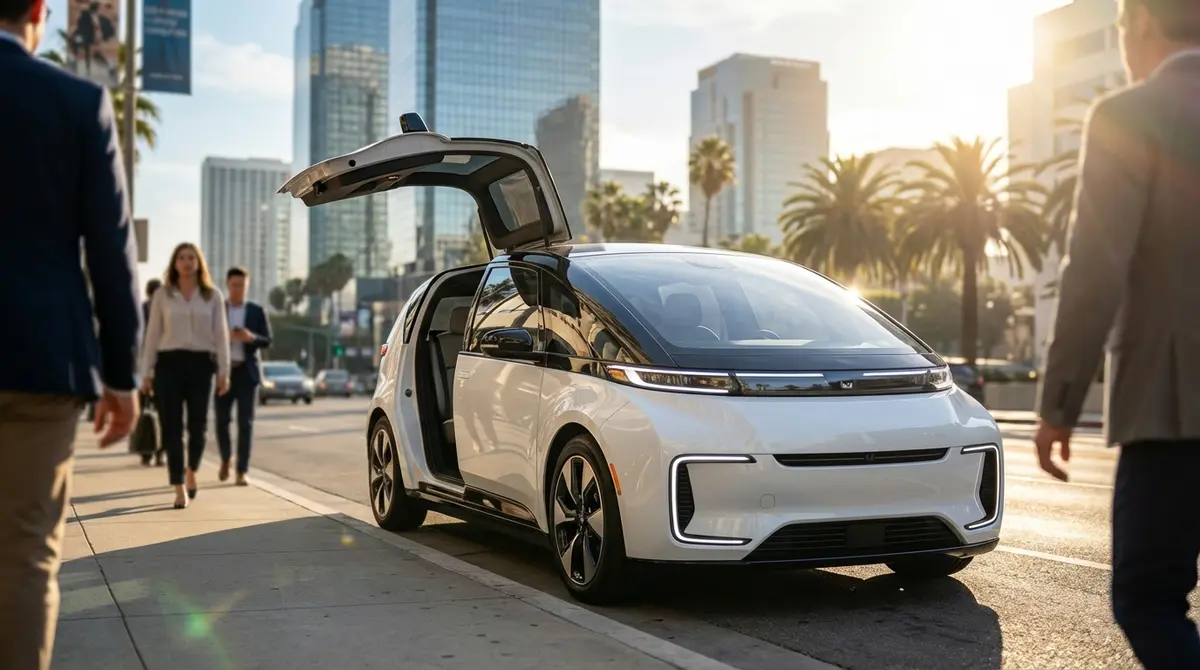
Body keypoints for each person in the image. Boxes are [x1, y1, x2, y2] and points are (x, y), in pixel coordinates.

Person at [1034, 0, 1200, 666]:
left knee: (1149, 599)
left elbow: (1096, 271)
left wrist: (1059, 404)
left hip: (1175, 407)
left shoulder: (1131, 115)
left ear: (1140, 25)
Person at [0, 1, 141, 668]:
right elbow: (111, 252)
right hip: (41, 362)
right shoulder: (78, 103)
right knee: (27, 556)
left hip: (44, 364)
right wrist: (122, 375)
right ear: (38, 12)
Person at [141, 243, 230, 509]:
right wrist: (146, 372)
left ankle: (191, 470)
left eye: (191, 257)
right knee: (172, 427)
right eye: (181, 257)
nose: (187, 262)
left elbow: (221, 335)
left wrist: (224, 371)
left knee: (198, 426)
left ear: (199, 262)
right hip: (168, 364)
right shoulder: (163, 295)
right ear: (174, 263)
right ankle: (178, 485)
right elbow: (152, 335)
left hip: (201, 364)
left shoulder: (212, 296)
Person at [216, 266, 272, 486]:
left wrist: (251, 338)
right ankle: (225, 458)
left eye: (242, 286)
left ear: (247, 286)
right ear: (227, 285)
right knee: (222, 421)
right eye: (234, 285)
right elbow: (207, 337)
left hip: (247, 373)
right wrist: (225, 337)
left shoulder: (256, 311)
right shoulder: (219, 309)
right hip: (223, 371)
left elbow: (267, 340)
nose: (238, 289)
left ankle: (242, 471)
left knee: (245, 423)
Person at [138, 278, 164, 467]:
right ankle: (145, 451)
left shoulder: (167, 312)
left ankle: (160, 452)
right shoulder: (141, 312)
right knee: (143, 412)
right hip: (143, 370)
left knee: (165, 413)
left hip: (164, 369)